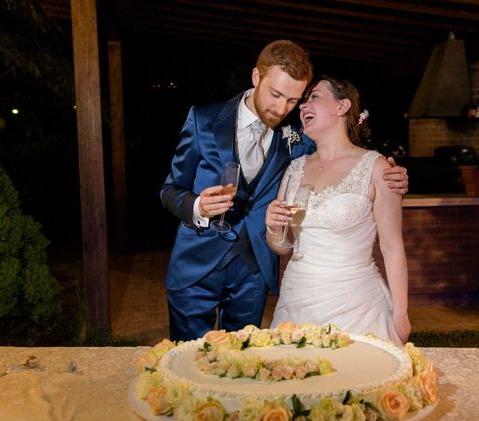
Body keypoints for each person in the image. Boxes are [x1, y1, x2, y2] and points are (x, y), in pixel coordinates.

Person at [161, 40, 409, 342]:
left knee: (244, 367)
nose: (281, 108)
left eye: (292, 100)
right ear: (256, 77)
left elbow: (340, 158)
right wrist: (198, 206)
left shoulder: (294, 142)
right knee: (186, 361)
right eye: (276, 94)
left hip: (253, 274)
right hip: (196, 264)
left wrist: (394, 176)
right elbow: (170, 189)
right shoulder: (203, 119)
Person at [266, 75, 410, 345]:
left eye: (314, 97)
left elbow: (392, 247)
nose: (303, 106)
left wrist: (401, 312)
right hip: (298, 299)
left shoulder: (378, 168)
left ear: (342, 107)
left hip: (357, 304)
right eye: (303, 101)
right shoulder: (295, 170)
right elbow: (282, 247)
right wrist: (273, 227)